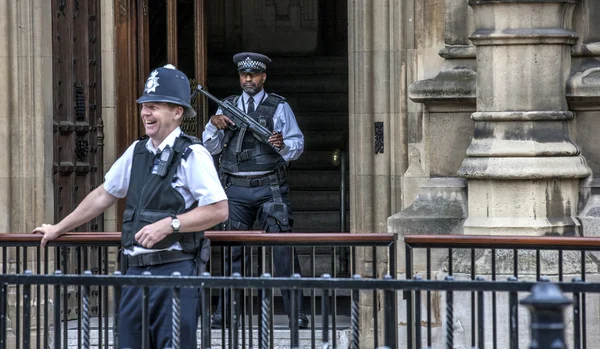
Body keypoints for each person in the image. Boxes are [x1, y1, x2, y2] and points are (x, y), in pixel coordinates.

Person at [33, 64, 228, 349]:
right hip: (135, 274)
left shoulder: (192, 154)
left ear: (177, 112)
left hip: (174, 273)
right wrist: (58, 228)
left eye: (155, 107)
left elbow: (219, 209)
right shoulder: (137, 151)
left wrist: (171, 224)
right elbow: (103, 195)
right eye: (144, 106)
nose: (146, 113)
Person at [202, 52, 308, 329]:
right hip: (235, 188)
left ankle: (296, 312)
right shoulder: (226, 107)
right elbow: (210, 148)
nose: (248, 79)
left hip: (270, 186)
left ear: (263, 77)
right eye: (243, 75)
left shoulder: (278, 106)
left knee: (283, 250)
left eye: (254, 75)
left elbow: (296, 146)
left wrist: (281, 144)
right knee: (231, 252)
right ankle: (224, 313)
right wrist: (215, 125)